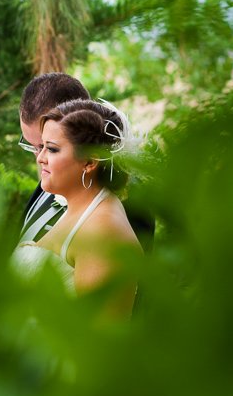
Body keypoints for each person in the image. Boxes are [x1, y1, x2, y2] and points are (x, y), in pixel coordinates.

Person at [13, 99, 142, 315]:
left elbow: (97, 339)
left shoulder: (103, 231)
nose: (40, 158)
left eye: (52, 149)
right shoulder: (80, 209)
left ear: (90, 162)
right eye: (41, 147)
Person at [16, 74, 90, 243]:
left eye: (47, 147)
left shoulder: (123, 201)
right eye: (32, 146)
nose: (39, 158)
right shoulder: (53, 173)